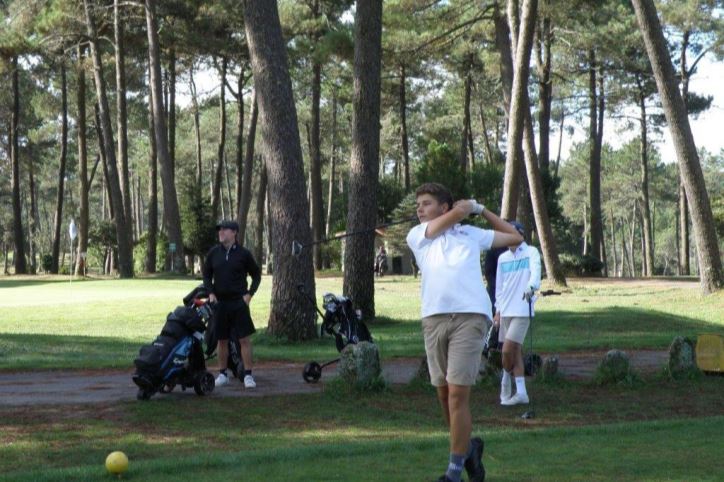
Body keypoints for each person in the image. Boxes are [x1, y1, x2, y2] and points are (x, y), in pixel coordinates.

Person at [406, 182, 523, 482]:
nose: (419, 209)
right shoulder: (419, 235)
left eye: (427, 203)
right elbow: (437, 228)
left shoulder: (470, 234)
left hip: (471, 316)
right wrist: (464, 209)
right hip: (433, 318)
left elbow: (515, 236)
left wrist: (481, 210)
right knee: (444, 396)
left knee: (458, 394)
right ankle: (468, 449)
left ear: (443, 207)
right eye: (418, 204)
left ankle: (454, 471)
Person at [203, 220, 262, 389]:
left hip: (239, 303)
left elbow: (256, 275)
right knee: (221, 340)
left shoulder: (243, 254)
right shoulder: (214, 253)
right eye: (219, 229)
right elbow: (207, 275)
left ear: (234, 232)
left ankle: (248, 375)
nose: (220, 232)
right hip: (220, 304)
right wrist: (211, 293)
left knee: (244, 340)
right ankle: (222, 374)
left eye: (224, 229)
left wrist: (249, 294)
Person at [493, 221, 541, 406]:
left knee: (507, 350)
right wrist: (497, 310)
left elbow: (535, 273)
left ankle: (505, 379)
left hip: (522, 310)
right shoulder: (503, 258)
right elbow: (500, 286)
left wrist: (531, 287)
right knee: (516, 353)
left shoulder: (531, 252)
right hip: (505, 310)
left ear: (521, 235)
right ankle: (521, 393)